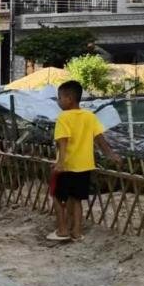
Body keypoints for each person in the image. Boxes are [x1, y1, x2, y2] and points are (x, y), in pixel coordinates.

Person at [50, 79, 119, 243]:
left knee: (57, 197)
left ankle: (62, 230)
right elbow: (99, 138)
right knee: (77, 200)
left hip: (67, 166)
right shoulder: (90, 116)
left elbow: (63, 140)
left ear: (69, 99)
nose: (59, 101)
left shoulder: (63, 117)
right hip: (85, 166)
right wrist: (111, 154)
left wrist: (60, 163)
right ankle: (77, 232)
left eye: (60, 98)